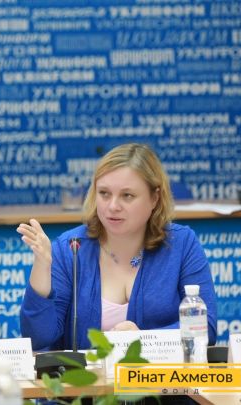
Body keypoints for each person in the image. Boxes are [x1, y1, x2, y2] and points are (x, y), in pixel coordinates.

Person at [18, 143, 217, 351]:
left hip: (159, 372)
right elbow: (38, 339)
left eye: (127, 195)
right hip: (85, 373)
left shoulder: (181, 243)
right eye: (104, 193)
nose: (113, 206)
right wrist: (42, 267)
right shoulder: (70, 248)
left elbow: (206, 328)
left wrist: (144, 340)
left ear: (155, 198)